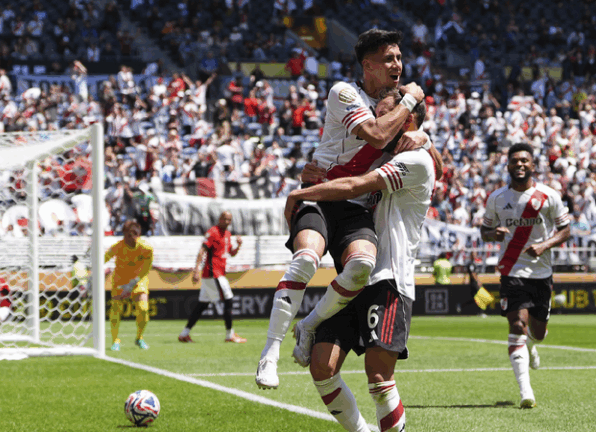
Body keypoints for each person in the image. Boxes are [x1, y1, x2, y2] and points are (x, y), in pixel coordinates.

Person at [256, 28, 429, 390]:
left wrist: (425, 137)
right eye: (388, 59)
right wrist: (412, 100)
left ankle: (307, 326)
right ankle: (269, 353)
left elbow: (433, 166)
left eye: (399, 58)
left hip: (354, 206)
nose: (398, 65)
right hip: (320, 195)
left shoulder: (395, 109)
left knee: (362, 265)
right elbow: (377, 135)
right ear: (368, 65)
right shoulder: (345, 92)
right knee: (306, 259)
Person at [282, 88, 437, 432]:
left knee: (379, 378)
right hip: (357, 276)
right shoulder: (387, 155)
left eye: (383, 115)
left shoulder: (415, 161)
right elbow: (345, 172)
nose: (376, 122)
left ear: (405, 119)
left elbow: (354, 186)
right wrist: (315, 176)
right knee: (322, 366)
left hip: (388, 278)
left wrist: (300, 194)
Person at [480, 142, 571, 409]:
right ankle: (526, 392)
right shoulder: (496, 198)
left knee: (538, 332)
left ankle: (532, 345)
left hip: (541, 273)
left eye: (524, 161)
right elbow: (484, 232)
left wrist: (544, 245)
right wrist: (493, 234)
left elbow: (566, 230)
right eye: (515, 161)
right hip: (511, 271)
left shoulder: (549, 195)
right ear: (508, 165)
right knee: (517, 325)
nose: (519, 164)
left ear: (533, 165)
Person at [179, 211, 246, 343]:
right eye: (224, 219)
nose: (226, 221)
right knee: (228, 300)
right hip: (213, 273)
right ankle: (230, 335)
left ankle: (184, 334)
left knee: (202, 305)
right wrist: (196, 270)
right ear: (219, 218)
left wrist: (238, 245)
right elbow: (202, 251)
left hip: (217, 273)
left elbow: (231, 253)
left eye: (229, 219)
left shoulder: (227, 234)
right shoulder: (213, 232)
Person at [105, 219, 154, 351]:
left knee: (143, 308)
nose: (130, 238)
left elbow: (146, 268)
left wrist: (133, 283)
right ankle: (115, 341)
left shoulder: (147, 248)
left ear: (138, 234)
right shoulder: (118, 247)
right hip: (120, 280)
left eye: (134, 234)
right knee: (116, 309)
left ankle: (139, 337)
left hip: (138, 280)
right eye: (128, 234)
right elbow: (103, 258)